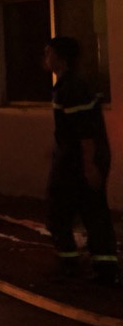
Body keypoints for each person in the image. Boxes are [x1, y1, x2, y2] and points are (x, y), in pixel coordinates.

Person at [44, 36, 119, 285]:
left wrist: (89, 166)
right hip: (78, 158)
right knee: (93, 211)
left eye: (49, 53)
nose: (46, 58)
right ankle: (103, 267)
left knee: (59, 211)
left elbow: (84, 132)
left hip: (78, 161)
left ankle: (71, 264)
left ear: (61, 58)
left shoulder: (70, 88)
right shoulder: (71, 84)